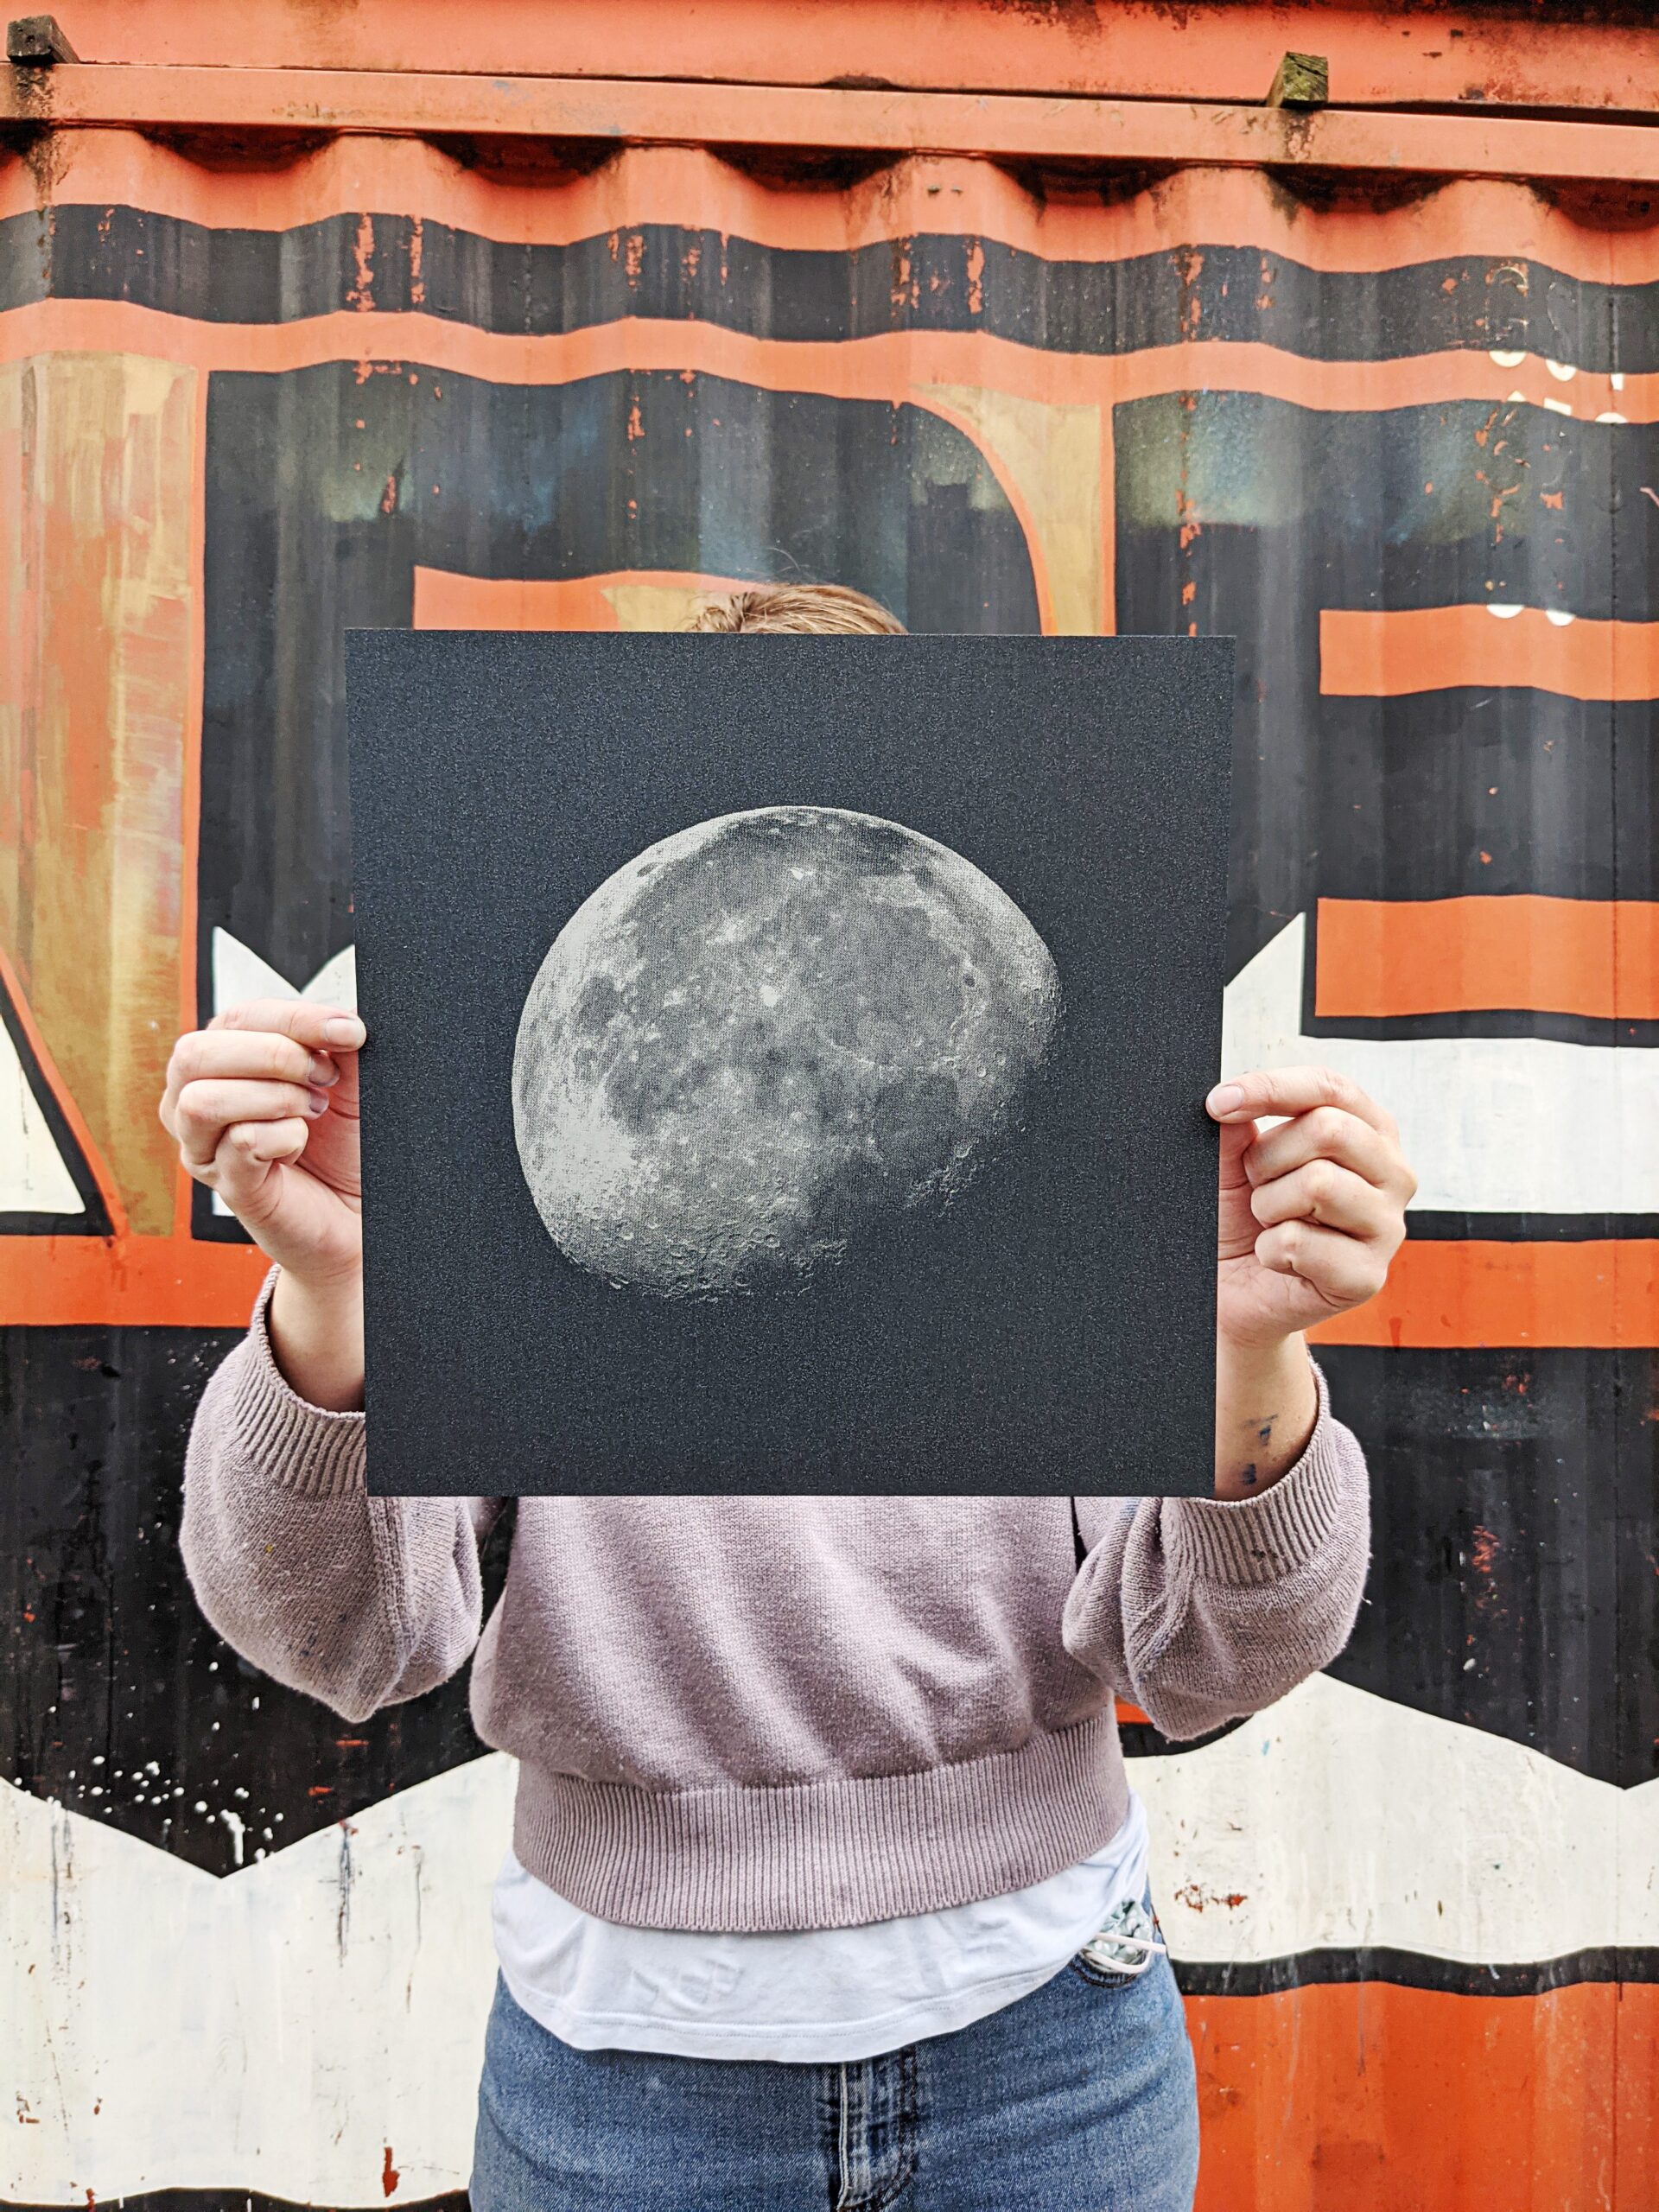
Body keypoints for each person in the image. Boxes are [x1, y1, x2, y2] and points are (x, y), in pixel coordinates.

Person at [166, 584, 1415, 2212]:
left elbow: (1210, 1660)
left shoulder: (1069, 1210)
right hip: (626, 2080)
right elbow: (344, 1638)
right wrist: (332, 1302)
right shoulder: (505, 1183)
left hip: (1047, 2056)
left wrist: (1251, 1357)